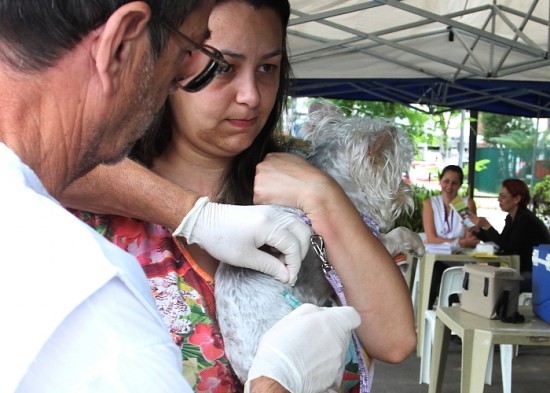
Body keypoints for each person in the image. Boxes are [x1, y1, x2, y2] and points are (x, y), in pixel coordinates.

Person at [0, 1, 362, 392]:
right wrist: (276, 383)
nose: (180, 79)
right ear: (121, 45)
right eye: (188, 56)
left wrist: (192, 213)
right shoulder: (96, 311)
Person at [469, 178, 550, 292]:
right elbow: (501, 243)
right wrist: (478, 231)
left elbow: (507, 247)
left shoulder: (525, 219)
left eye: (503, 196)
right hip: (521, 269)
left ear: (517, 199)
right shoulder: (512, 217)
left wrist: (487, 225)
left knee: (495, 284)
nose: (499, 199)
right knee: (485, 278)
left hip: (536, 274)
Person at [422, 165, 480, 307]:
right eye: (446, 181)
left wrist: (461, 242)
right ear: (440, 181)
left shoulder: (464, 204)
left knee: (455, 276)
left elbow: (470, 238)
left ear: (460, 185)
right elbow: (431, 238)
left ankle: (449, 314)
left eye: (454, 183)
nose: (449, 186)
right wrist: (459, 242)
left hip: (458, 258)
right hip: (437, 257)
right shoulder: (430, 203)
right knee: (436, 270)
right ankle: (427, 312)